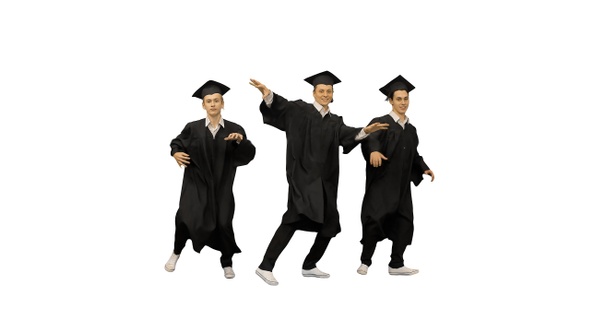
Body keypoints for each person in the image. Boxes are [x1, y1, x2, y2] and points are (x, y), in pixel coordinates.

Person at [249, 71, 389, 286]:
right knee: (293, 218)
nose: (325, 94)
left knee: (330, 225)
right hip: (303, 179)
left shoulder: (335, 121)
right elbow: (280, 106)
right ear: (313, 92)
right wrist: (267, 94)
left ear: (332, 94)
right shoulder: (298, 110)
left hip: (326, 182)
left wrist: (365, 130)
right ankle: (265, 266)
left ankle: (309, 265)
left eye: (328, 91)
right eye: (321, 90)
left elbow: (347, 135)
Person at [164, 80, 256, 279]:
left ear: (222, 103)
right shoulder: (193, 128)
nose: (213, 104)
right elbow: (177, 142)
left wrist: (241, 142)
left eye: (216, 100)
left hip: (222, 186)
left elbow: (248, 156)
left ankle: (227, 262)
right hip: (195, 185)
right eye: (209, 101)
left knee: (223, 223)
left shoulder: (235, 129)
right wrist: (176, 153)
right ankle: (176, 252)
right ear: (203, 105)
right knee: (184, 219)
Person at [357, 75, 434, 276]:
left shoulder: (411, 129)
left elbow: (414, 154)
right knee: (374, 220)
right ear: (390, 100)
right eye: (398, 99)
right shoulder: (381, 122)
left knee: (405, 223)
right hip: (381, 185)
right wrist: (373, 150)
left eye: (405, 98)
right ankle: (365, 261)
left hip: (401, 187)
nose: (403, 102)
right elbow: (370, 138)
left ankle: (396, 264)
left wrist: (424, 167)